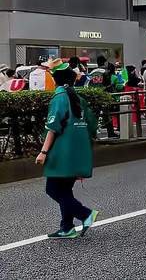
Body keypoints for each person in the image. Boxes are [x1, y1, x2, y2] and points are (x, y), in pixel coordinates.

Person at [35, 59, 99, 239]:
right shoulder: (78, 97)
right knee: (64, 189)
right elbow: (92, 126)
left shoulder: (59, 97)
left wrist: (43, 152)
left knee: (53, 189)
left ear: (56, 79)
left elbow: (53, 127)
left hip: (62, 152)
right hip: (79, 150)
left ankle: (85, 213)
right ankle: (67, 227)